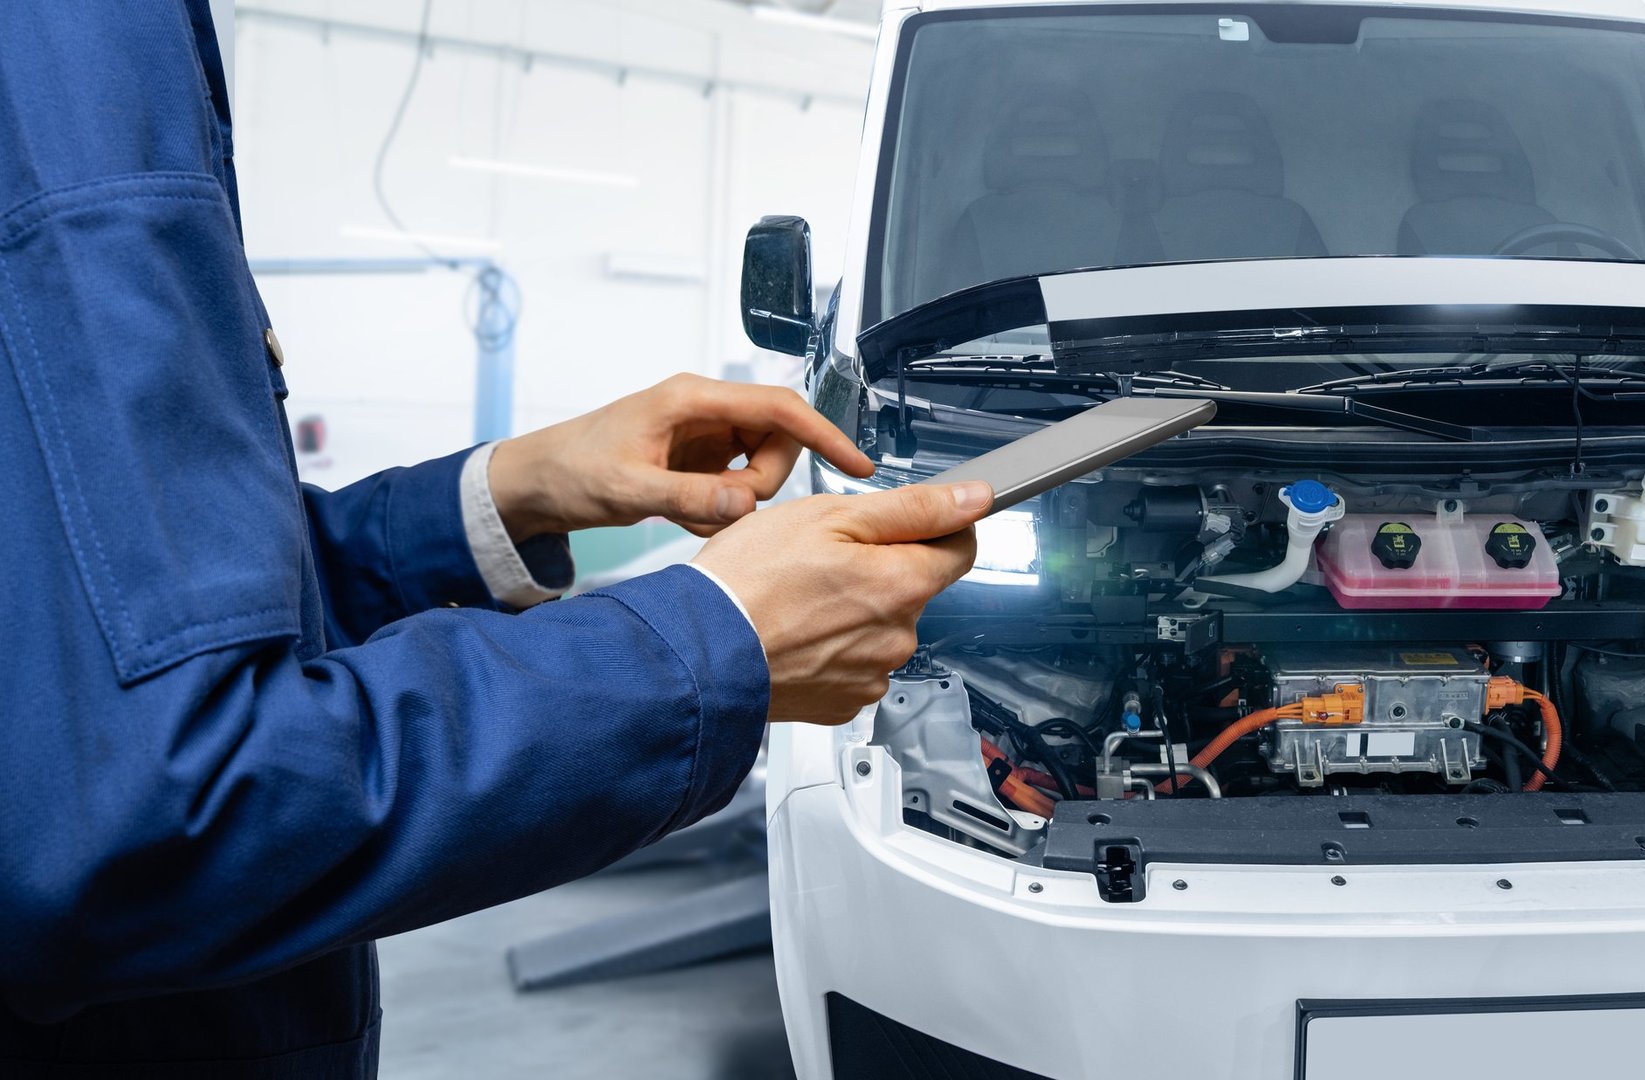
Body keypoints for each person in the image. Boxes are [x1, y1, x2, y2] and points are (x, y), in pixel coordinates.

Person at [0, 2, 992, 1075]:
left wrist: (509, 492)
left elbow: (95, 637)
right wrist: (714, 642)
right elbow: (153, 819)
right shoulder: (67, 48)